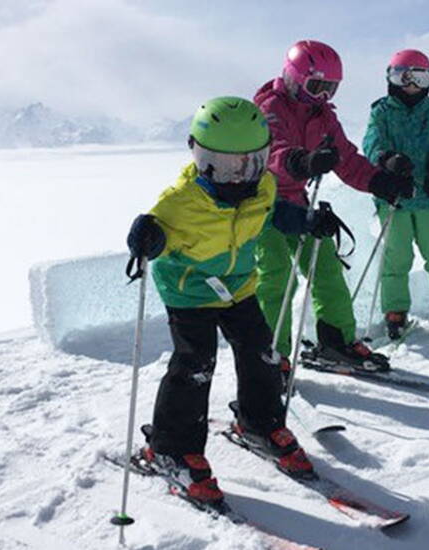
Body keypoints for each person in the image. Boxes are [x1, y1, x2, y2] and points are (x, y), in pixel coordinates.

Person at [125, 97, 316, 505]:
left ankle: (259, 422)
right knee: (196, 363)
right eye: (226, 165)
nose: (239, 176)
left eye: (251, 162)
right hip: (189, 290)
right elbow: (156, 232)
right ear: (200, 157)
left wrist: (305, 220)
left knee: (260, 350)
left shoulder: (261, 185)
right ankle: (170, 448)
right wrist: (148, 236)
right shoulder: (180, 202)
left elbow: (271, 211)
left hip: (238, 285)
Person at [253, 39, 413, 371]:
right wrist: (303, 161)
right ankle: (271, 356)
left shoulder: (323, 116)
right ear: (295, 78)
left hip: (298, 203)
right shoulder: (269, 107)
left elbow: (348, 159)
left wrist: (379, 182)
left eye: (331, 89)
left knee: (326, 267)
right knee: (277, 277)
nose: (323, 96)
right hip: (262, 207)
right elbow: (272, 150)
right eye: (317, 86)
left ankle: (335, 340)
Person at [362, 49, 429, 340]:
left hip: (427, 196)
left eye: (419, 78)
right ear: (392, 79)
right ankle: (395, 310)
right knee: (397, 256)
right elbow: (372, 143)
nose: (411, 85)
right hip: (395, 197)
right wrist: (387, 159)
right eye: (404, 77)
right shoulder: (381, 111)